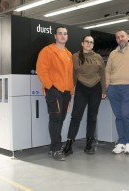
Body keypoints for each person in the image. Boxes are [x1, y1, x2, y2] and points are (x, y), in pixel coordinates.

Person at [62, 35, 106, 156]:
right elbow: (72, 74)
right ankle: (69, 145)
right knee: (76, 116)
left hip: (96, 88)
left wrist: (104, 90)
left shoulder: (98, 57)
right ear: (82, 43)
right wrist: (70, 89)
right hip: (81, 88)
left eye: (91, 42)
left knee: (92, 117)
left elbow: (103, 74)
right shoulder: (75, 56)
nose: (89, 44)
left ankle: (89, 144)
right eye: (87, 41)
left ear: (93, 45)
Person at [36, 26, 73, 161]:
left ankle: (54, 147)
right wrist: (50, 87)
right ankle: (57, 149)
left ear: (67, 37)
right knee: (56, 118)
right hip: (53, 90)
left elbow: (70, 74)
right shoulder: (47, 51)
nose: (63, 36)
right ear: (55, 36)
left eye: (65, 34)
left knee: (61, 119)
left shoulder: (68, 54)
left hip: (67, 92)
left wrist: (71, 89)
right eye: (60, 34)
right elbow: (41, 70)